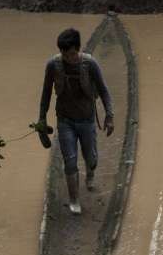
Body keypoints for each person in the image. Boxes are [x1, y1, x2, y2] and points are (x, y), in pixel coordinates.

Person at [38, 28, 114, 215]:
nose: (68, 58)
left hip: (87, 120)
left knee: (91, 159)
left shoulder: (90, 64)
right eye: (64, 54)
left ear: (77, 50)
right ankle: (74, 201)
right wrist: (41, 119)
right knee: (70, 161)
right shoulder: (53, 66)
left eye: (71, 54)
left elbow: (104, 91)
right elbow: (46, 93)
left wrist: (109, 116)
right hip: (65, 121)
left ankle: (90, 171)